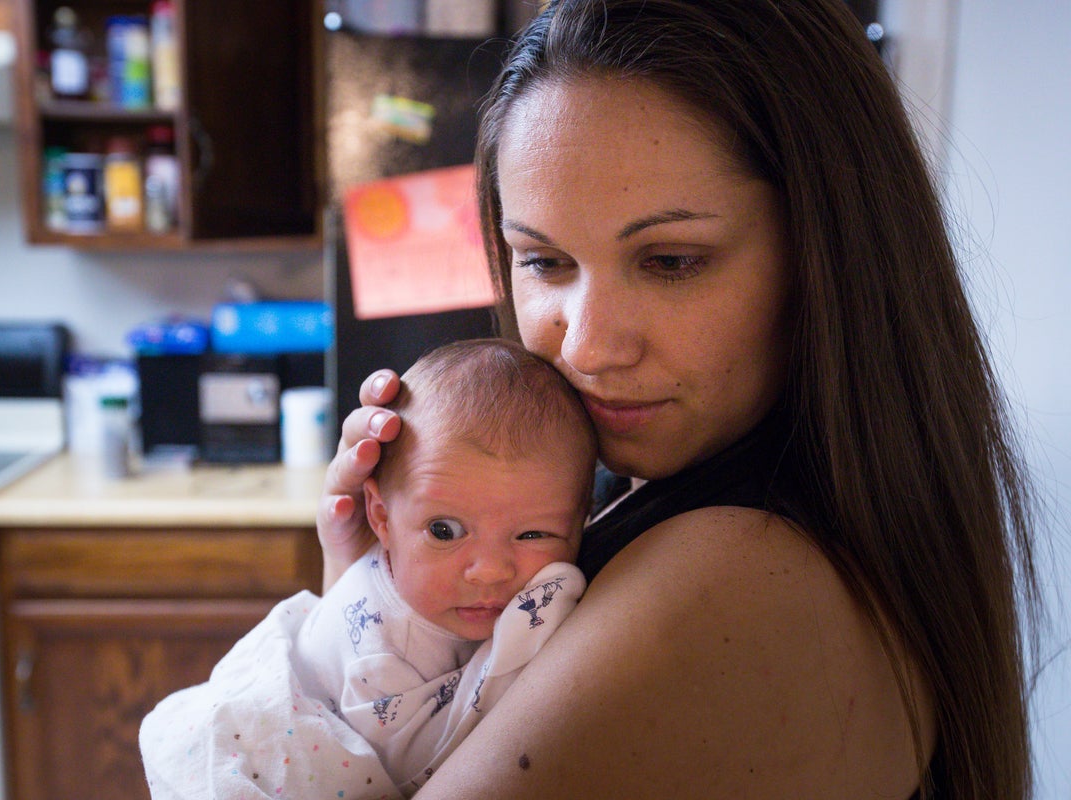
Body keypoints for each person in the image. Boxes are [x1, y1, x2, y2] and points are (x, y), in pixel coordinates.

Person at [319, 1, 1042, 799]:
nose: (588, 345)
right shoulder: (769, 523)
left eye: (670, 262)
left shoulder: (734, 580)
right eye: (545, 261)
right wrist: (378, 597)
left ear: (824, 256)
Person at [139, 338, 596, 799]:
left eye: (533, 534)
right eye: (444, 531)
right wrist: (524, 635)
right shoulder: (379, 648)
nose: (490, 571)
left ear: (584, 520)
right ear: (380, 517)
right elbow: (418, 768)